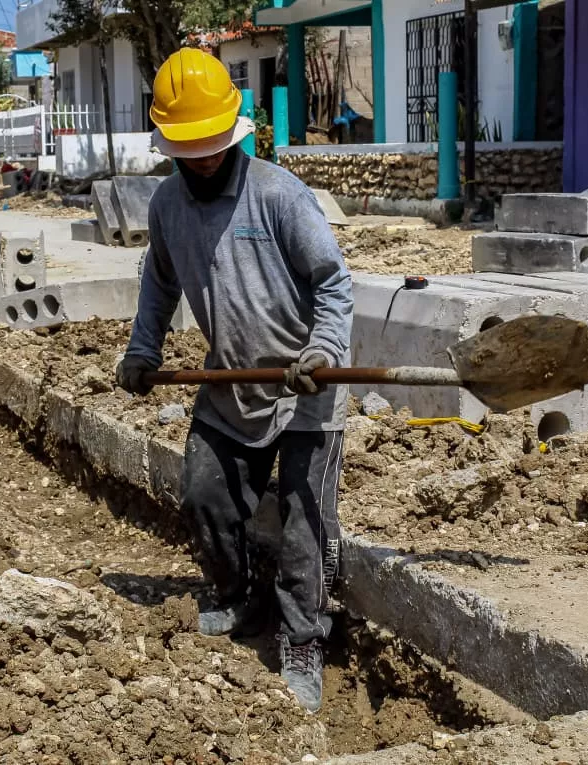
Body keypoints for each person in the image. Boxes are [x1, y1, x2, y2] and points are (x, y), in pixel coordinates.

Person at [115, 49, 352, 713]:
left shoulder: (278, 195)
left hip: (306, 386)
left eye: (211, 145)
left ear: (232, 129)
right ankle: (236, 594)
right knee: (204, 493)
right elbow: (159, 282)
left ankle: (303, 640)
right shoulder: (167, 205)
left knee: (304, 523)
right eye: (189, 149)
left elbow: (333, 283)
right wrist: (142, 348)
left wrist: (322, 349)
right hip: (230, 380)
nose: (202, 159)